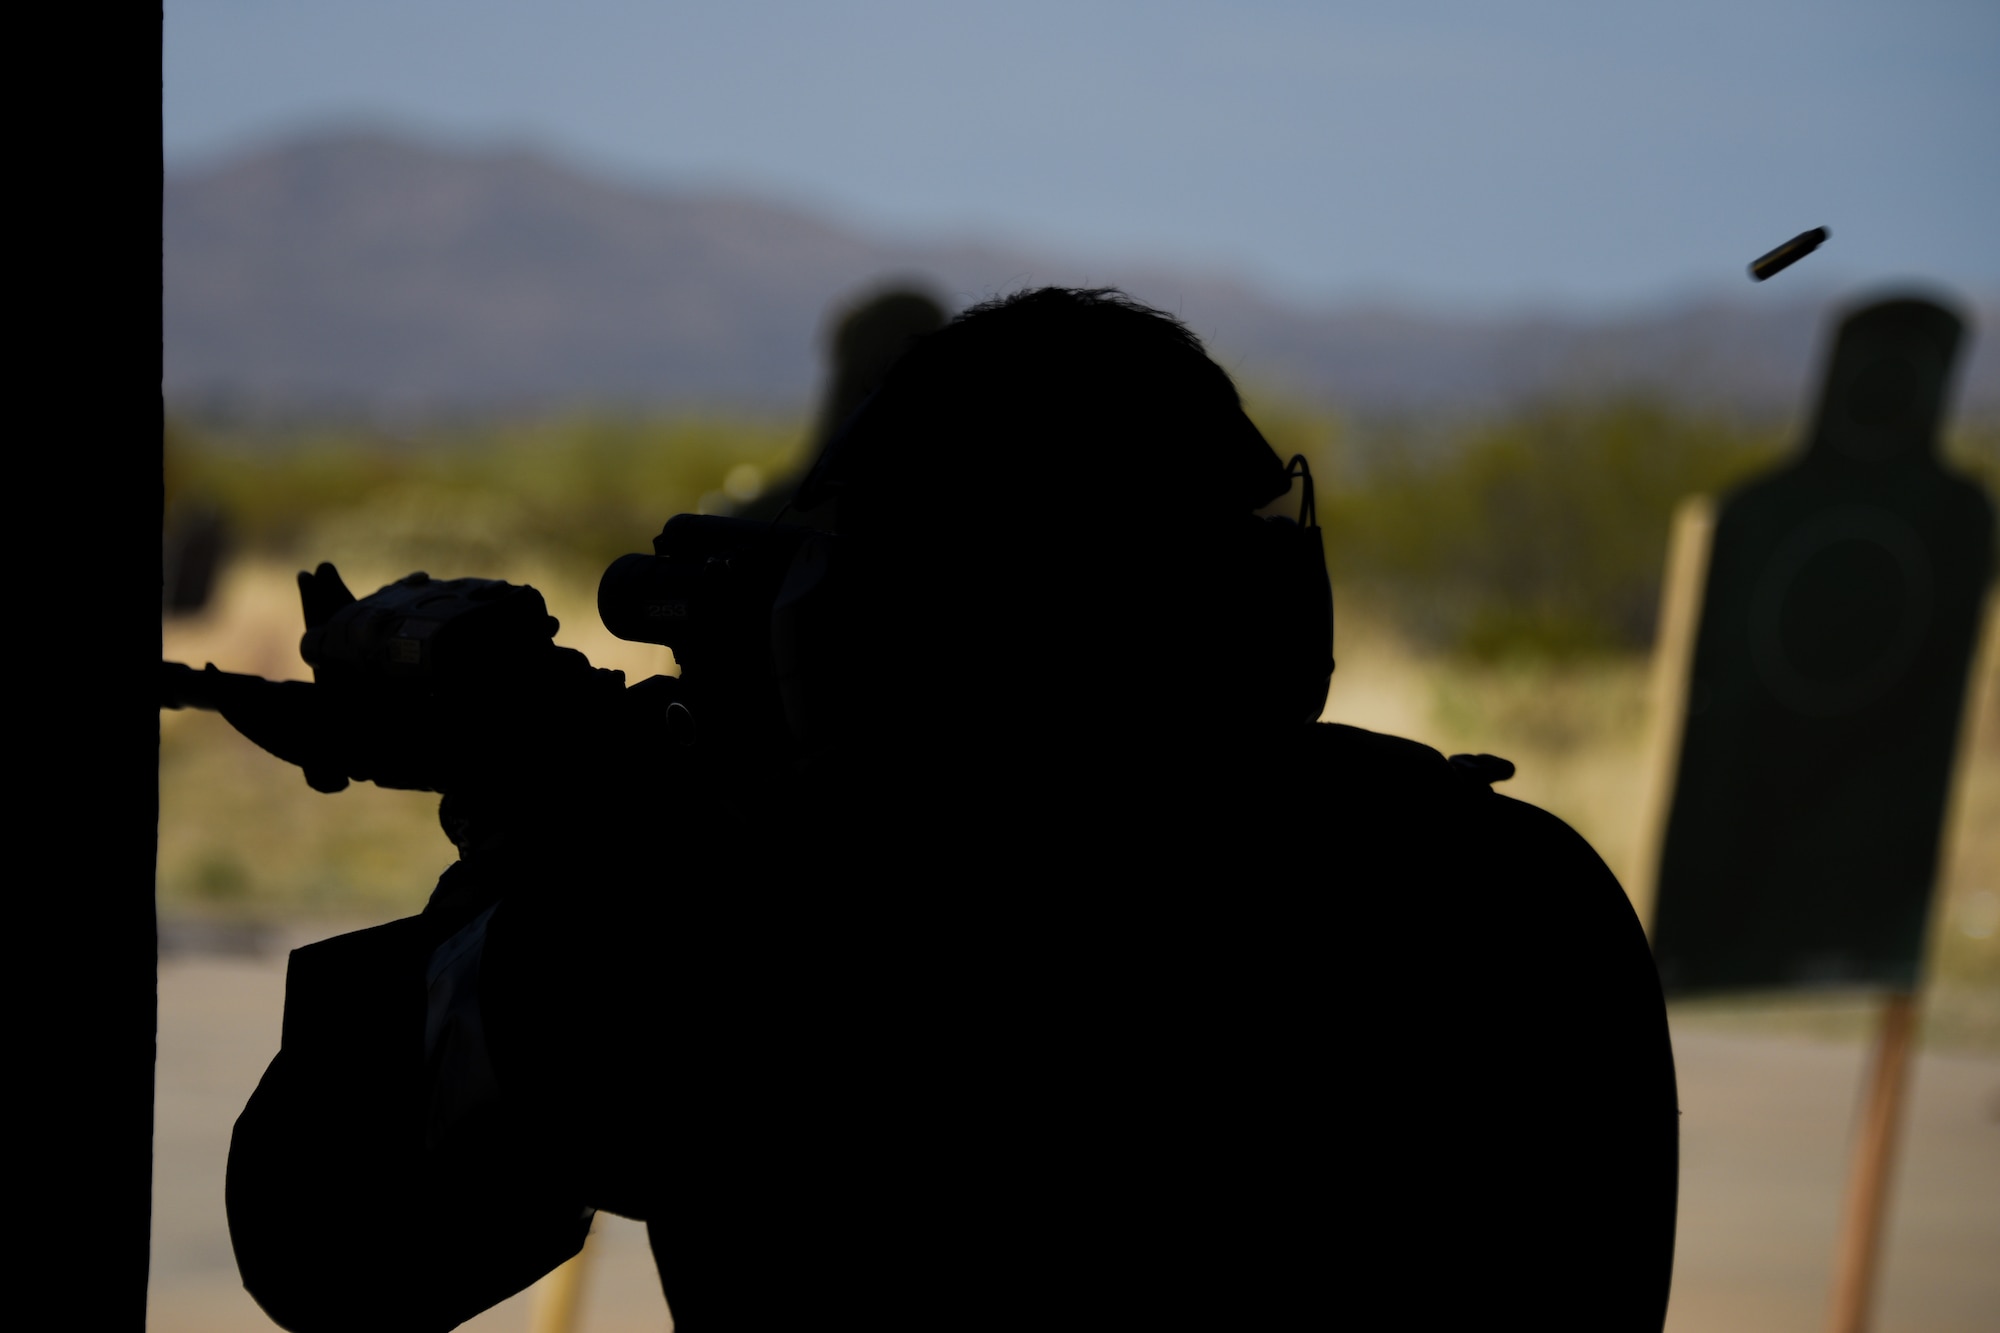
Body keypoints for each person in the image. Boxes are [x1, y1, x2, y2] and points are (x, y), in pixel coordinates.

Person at [230, 288, 1678, 1330]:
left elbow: (330, 1239)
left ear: (889, 625)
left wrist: (549, 826)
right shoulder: (1515, 886)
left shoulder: (796, 941)